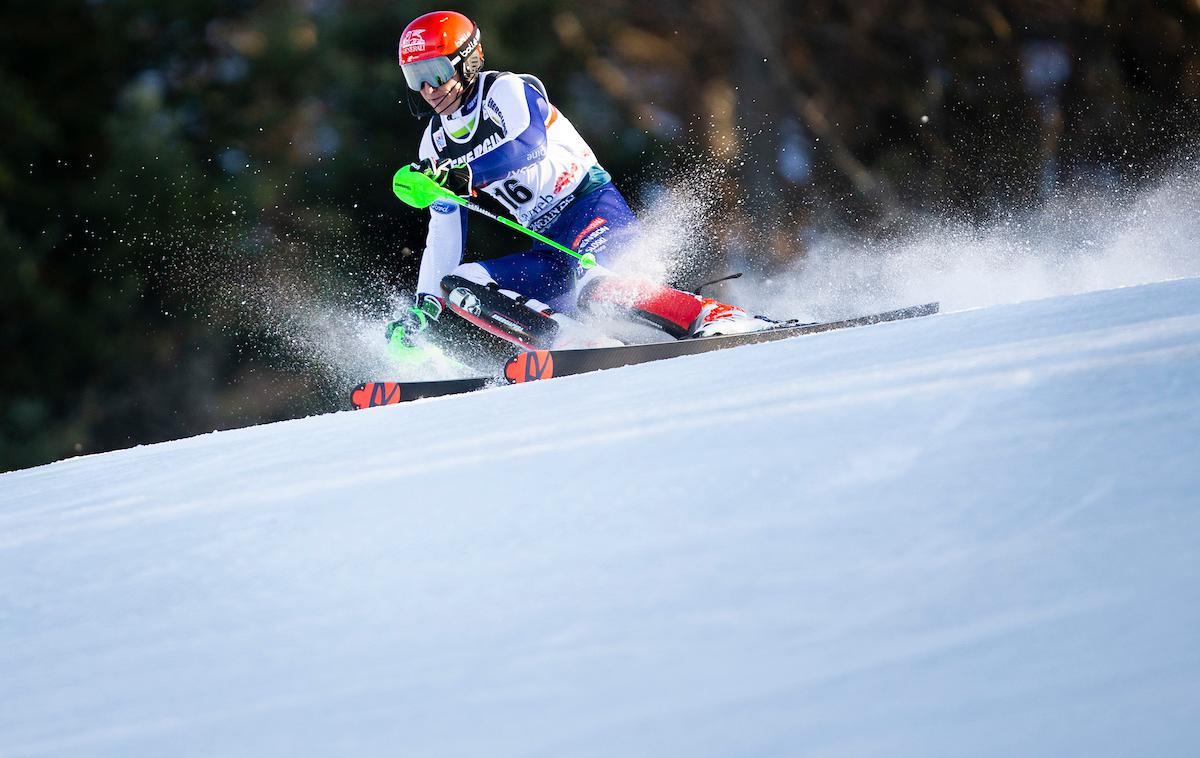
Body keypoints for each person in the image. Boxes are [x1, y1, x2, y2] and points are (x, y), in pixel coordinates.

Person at [388, 10, 777, 359]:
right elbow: (443, 230)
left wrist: (464, 176)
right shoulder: (434, 143)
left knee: (598, 290)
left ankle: (718, 314)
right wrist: (425, 304)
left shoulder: (504, 91)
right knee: (460, 285)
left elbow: (528, 146)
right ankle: (574, 345)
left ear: (468, 61)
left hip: (591, 210)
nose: (429, 89)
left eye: (436, 72)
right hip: (547, 245)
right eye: (416, 78)